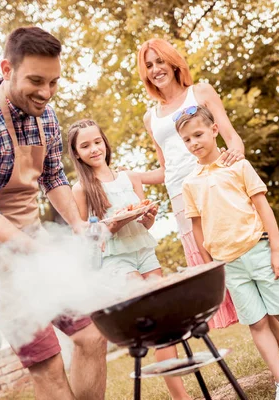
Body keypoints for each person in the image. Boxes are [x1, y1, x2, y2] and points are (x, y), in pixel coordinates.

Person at [136, 38, 279, 376]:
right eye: (148, 65)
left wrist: (233, 161)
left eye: (159, 61)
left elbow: (232, 138)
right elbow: (167, 169)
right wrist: (130, 177)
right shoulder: (150, 117)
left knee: (276, 273)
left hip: (225, 194)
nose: (155, 70)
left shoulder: (202, 92)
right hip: (189, 206)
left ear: (173, 62)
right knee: (241, 281)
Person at [0, 27, 107, 400]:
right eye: (36, 80)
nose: (46, 92)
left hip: (33, 240)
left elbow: (53, 177)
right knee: (48, 365)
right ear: (7, 68)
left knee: (92, 335)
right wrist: (39, 252)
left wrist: (79, 226)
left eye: (53, 82)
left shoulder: (45, 117)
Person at [178, 105, 279, 400]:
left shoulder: (238, 166)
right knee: (257, 323)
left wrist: (276, 250)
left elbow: (264, 208)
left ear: (215, 131)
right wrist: (210, 270)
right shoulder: (190, 183)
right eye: (187, 140)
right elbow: (197, 228)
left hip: (259, 251)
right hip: (229, 266)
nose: (194, 143)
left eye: (198, 134)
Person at [67, 119, 193, 400]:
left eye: (97, 142)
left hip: (144, 251)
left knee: (165, 319)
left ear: (105, 143)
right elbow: (87, 238)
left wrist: (148, 217)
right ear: (76, 153)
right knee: (151, 312)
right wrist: (110, 227)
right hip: (115, 259)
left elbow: (144, 221)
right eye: (85, 145)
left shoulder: (130, 177)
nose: (94, 149)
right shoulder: (81, 189)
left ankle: (179, 395)